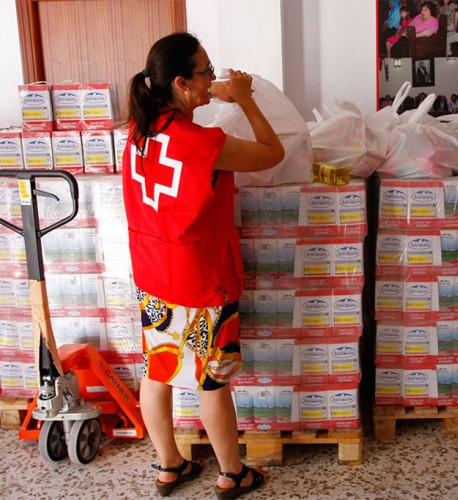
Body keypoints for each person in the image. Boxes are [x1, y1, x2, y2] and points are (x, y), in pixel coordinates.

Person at [122, 32, 284, 498]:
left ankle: (170, 465)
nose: (213, 79)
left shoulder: (136, 131)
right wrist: (247, 101)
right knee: (213, 380)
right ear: (180, 82)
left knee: (158, 370)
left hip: (153, 274)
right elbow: (273, 152)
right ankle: (232, 474)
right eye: (206, 72)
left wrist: (221, 94)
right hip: (201, 280)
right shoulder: (203, 143)